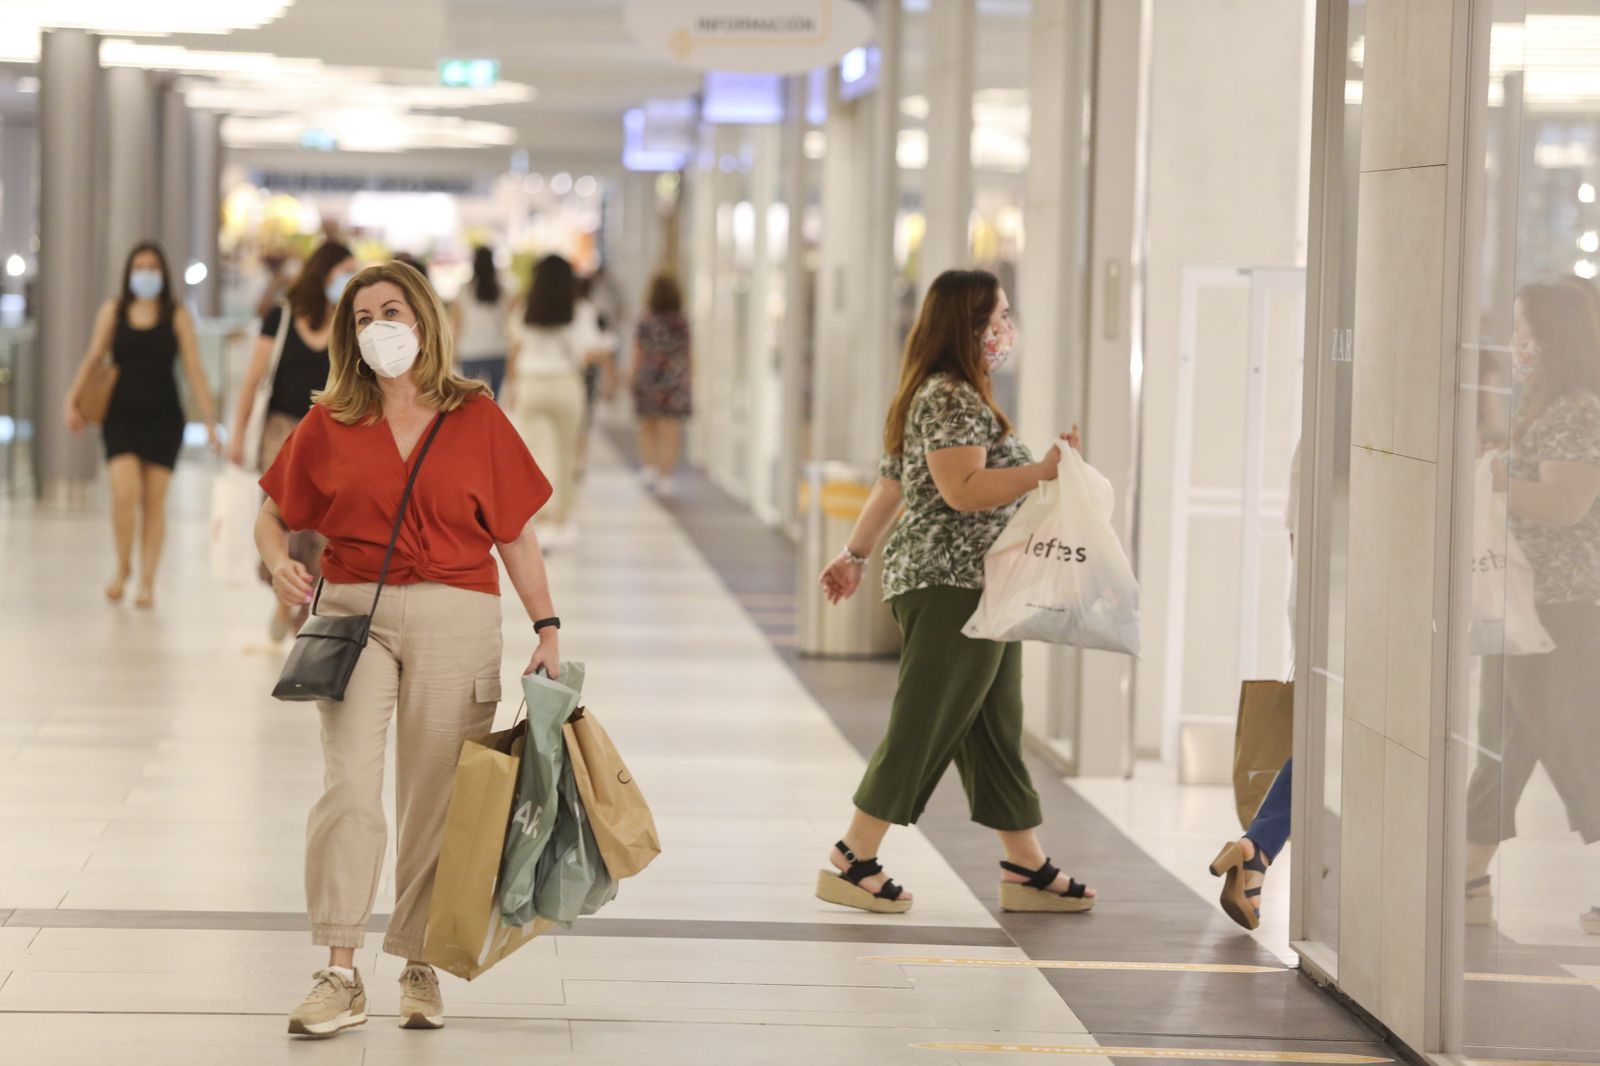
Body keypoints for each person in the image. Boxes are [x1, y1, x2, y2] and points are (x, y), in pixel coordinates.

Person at [255, 260, 559, 1038]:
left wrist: (547, 627)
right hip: (358, 613)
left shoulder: (476, 417)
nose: (378, 327)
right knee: (349, 790)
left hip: (459, 613)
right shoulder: (332, 420)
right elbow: (272, 510)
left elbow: (516, 535)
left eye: (391, 310)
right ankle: (339, 970)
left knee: (434, 800)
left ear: (423, 319)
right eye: (362, 317)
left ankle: (418, 963)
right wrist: (278, 558)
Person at [814, 268, 1094, 916]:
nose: (1006, 328)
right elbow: (960, 491)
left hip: (983, 587)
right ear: (969, 324)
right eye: (998, 315)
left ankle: (1024, 864)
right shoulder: (949, 398)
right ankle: (854, 855)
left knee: (995, 727)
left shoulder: (948, 393)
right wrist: (1042, 471)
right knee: (925, 720)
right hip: (951, 587)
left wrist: (853, 555)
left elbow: (891, 486)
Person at [1463, 280, 1600, 934]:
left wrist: (1494, 481)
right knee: (1500, 744)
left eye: (1525, 333)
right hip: (1522, 602)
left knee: (1575, 748)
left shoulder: (1575, 409)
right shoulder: (1544, 407)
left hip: (1559, 608)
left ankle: (1464, 874)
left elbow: (1568, 502)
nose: (1516, 346)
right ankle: (1465, 876)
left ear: (1554, 338)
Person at [63, 241, 220, 609]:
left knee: (155, 502)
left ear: (162, 273)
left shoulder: (176, 314)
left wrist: (210, 420)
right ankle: (122, 566)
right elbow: (93, 357)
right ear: (129, 272)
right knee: (125, 493)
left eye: (152, 267)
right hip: (121, 415)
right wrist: (73, 399)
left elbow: (194, 370)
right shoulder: (113, 311)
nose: (146, 273)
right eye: (139, 266)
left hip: (164, 417)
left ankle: (147, 580)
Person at [227, 240, 355, 641]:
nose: (350, 279)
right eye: (344, 271)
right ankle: (286, 597)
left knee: (324, 526)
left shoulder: (351, 322)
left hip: (331, 433)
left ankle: (307, 604)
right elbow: (254, 379)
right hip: (281, 431)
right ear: (324, 272)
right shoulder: (282, 317)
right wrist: (237, 434)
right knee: (286, 515)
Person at [504, 254, 610, 548]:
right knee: (566, 453)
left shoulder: (525, 309)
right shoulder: (580, 310)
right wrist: (605, 349)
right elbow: (587, 354)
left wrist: (512, 389)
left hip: (531, 385)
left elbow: (515, 350)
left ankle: (541, 518)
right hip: (565, 385)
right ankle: (561, 519)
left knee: (537, 455)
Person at [630, 272, 692, 496]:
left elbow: (638, 351)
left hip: (649, 376)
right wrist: (689, 379)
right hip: (673, 379)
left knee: (647, 426)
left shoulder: (646, 319)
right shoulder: (681, 321)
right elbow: (687, 353)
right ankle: (667, 475)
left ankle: (649, 468)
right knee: (670, 429)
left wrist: (633, 375)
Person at [450, 245, 510, 398]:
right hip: (497, 349)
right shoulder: (503, 290)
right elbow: (508, 321)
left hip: (470, 351)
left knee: (471, 400)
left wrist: (453, 351)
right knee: (494, 400)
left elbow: (457, 323)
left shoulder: (464, 290)